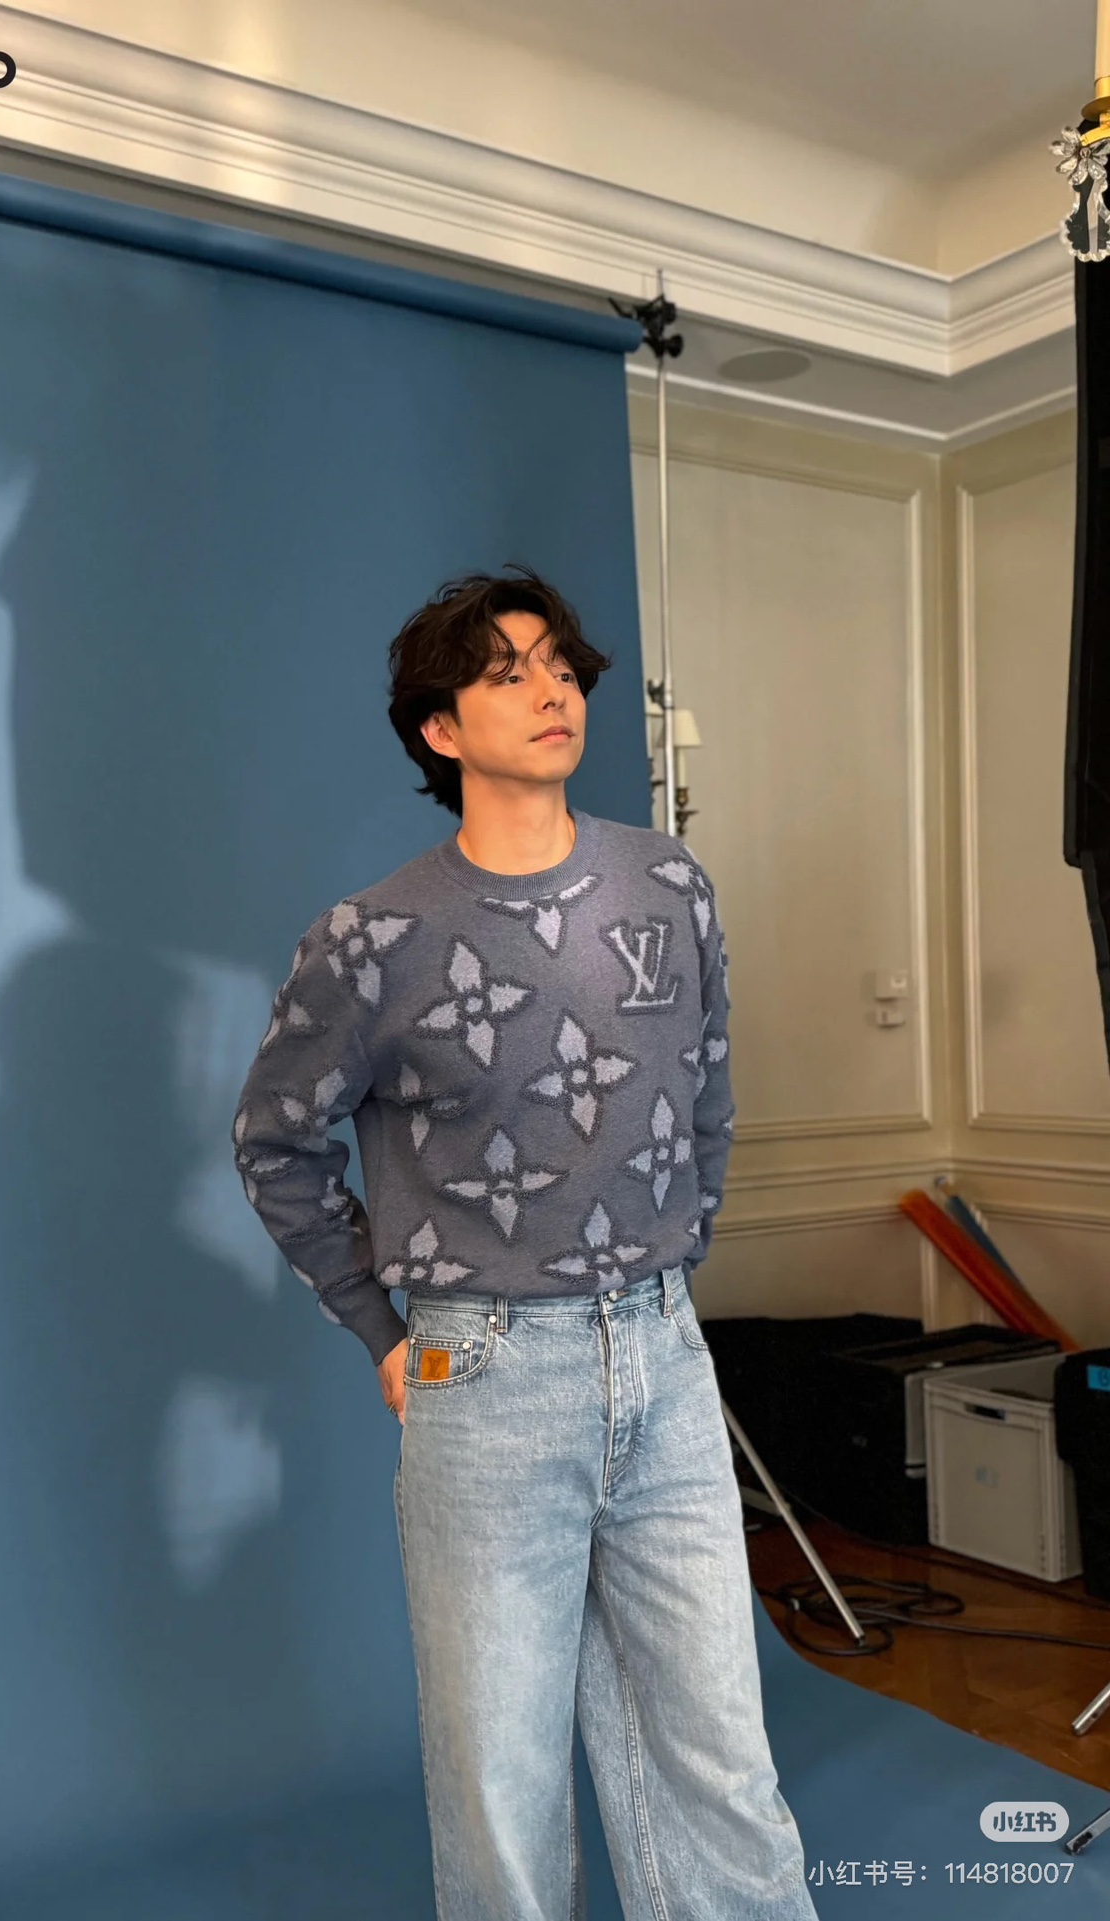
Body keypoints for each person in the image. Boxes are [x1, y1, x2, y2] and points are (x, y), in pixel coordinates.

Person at [231, 566, 818, 1921]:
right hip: (484, 1374)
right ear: (439, 728)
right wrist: (383, 1329)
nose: (551, 689)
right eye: (505, 672)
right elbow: (276, 1142)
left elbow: (707, 1091)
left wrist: (667, 1271)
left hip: (665, 1355)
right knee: (501, 1775)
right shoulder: (372, 940)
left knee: (721, 1755)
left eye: (558, 663)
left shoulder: (667, 882)